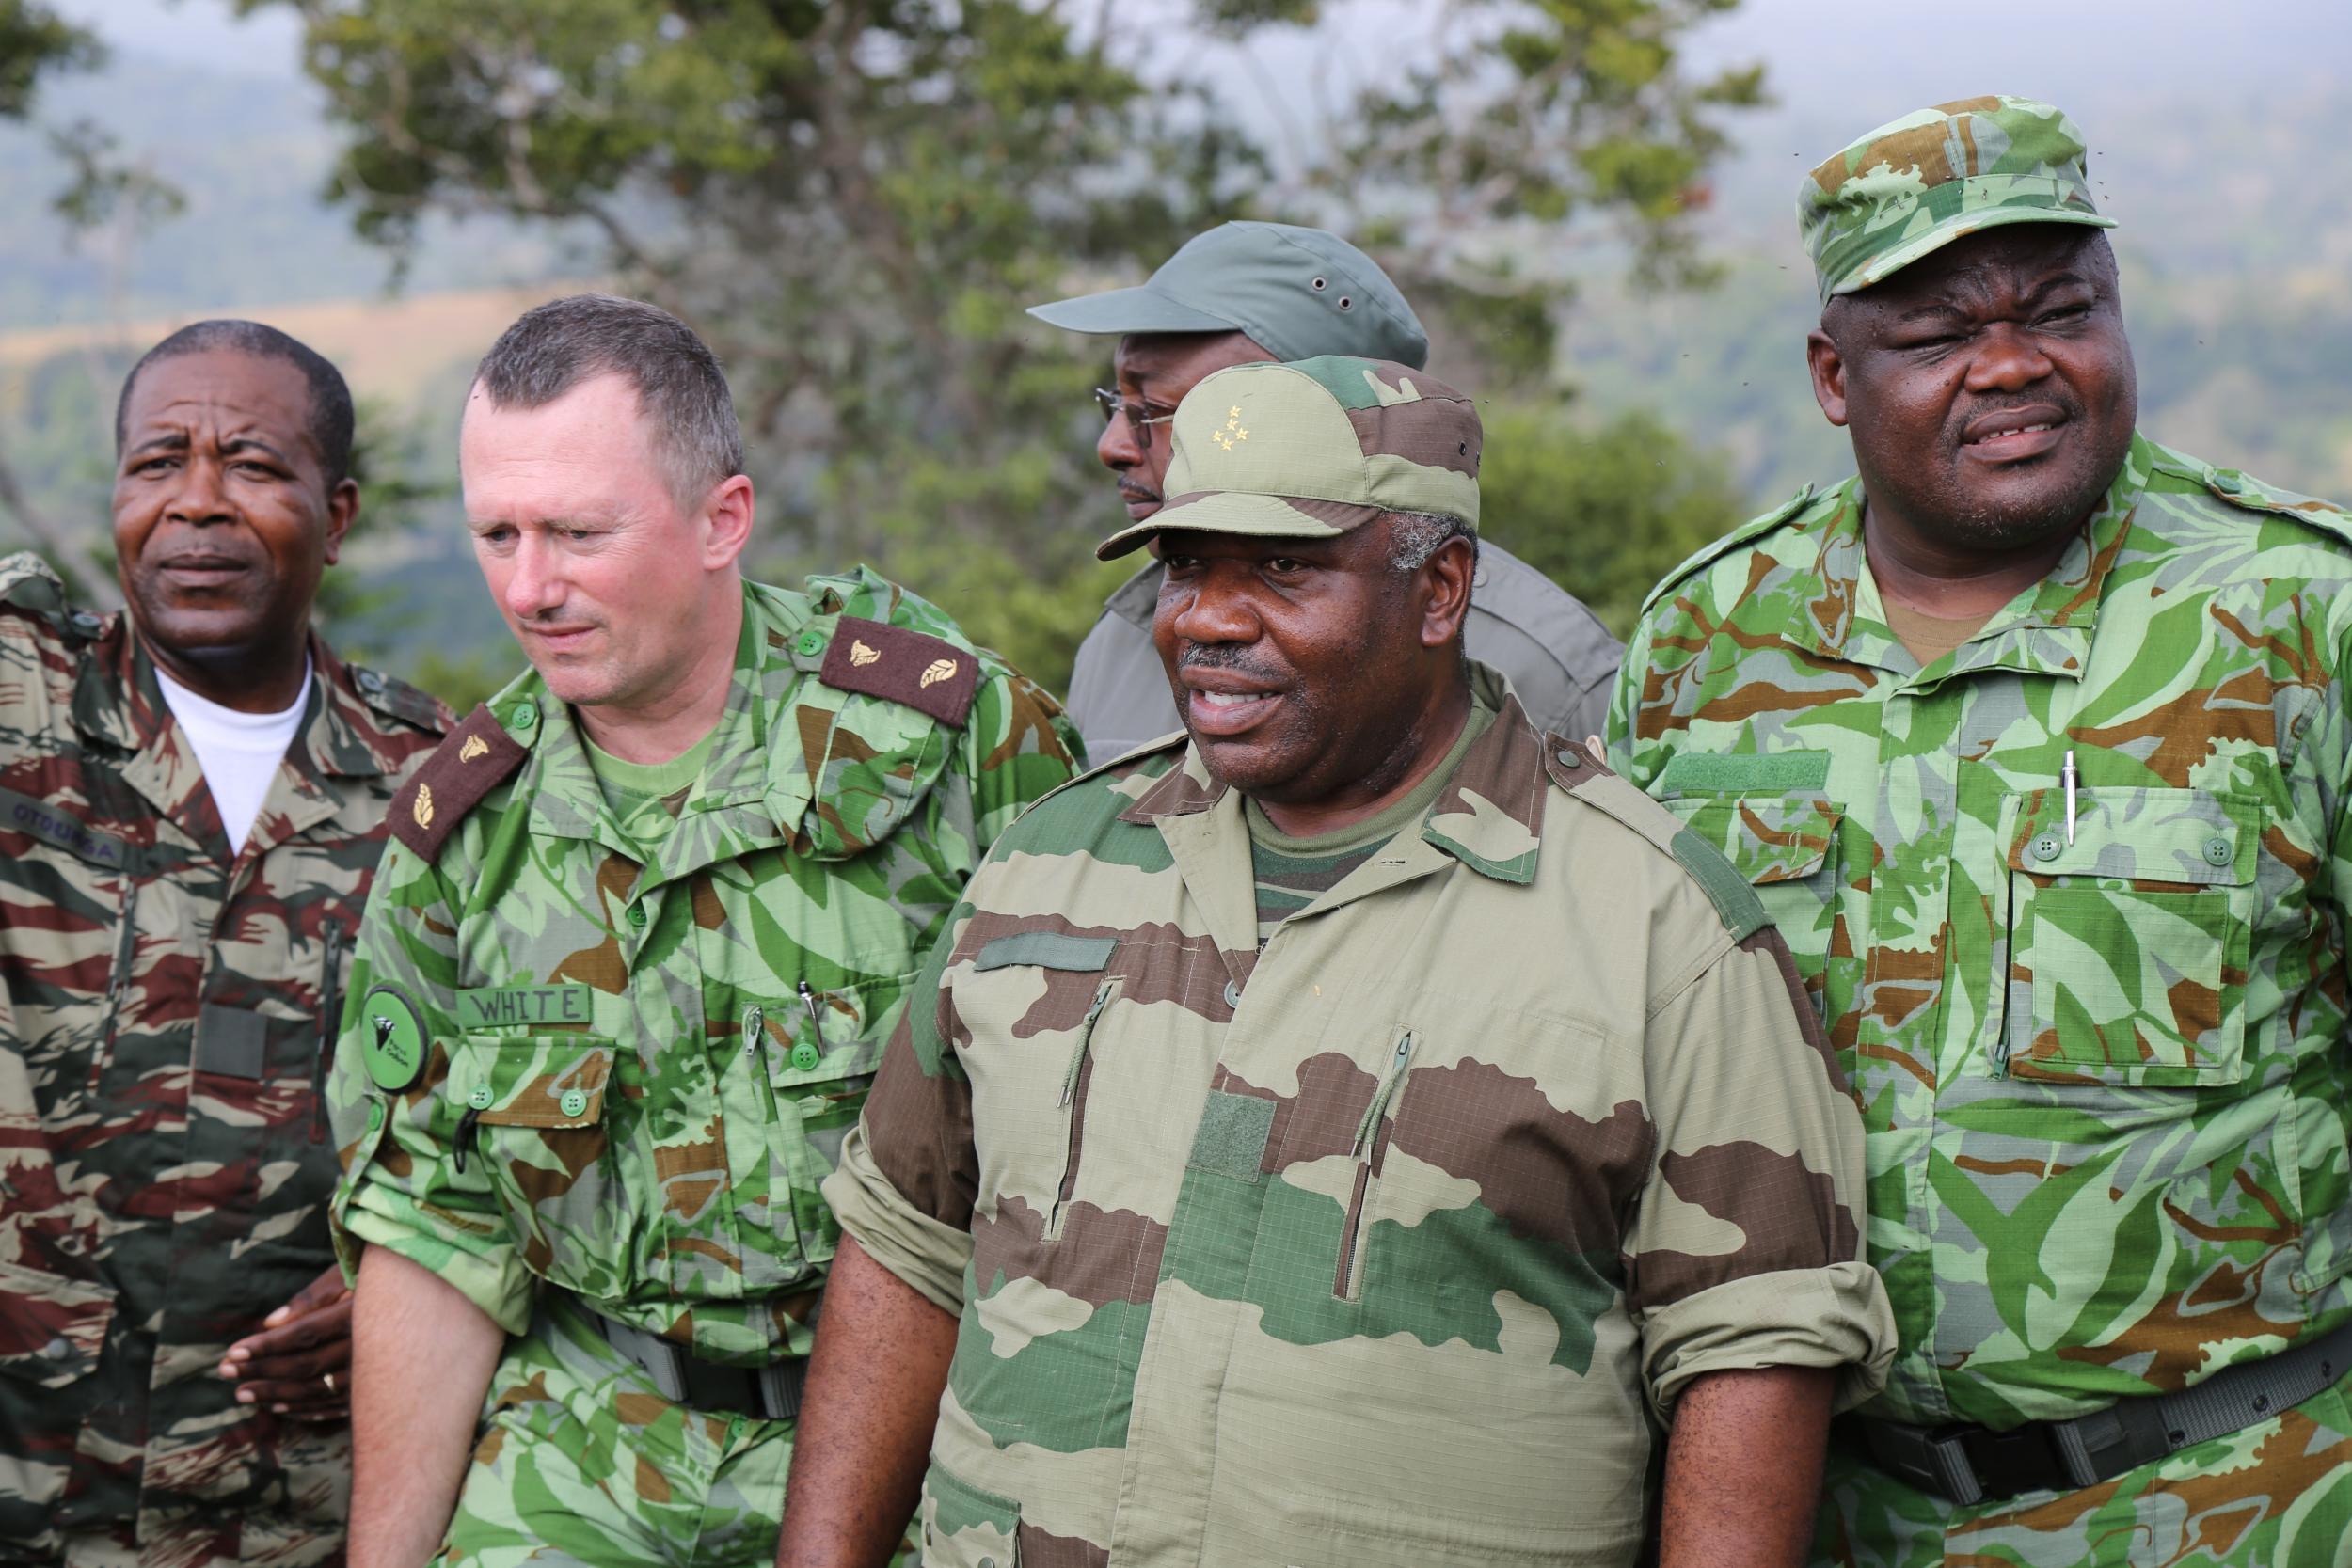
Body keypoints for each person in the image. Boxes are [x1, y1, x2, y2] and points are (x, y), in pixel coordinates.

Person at [778, 354, 1895, 1568]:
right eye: (1183, 565)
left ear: (1440, 588)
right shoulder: (1045, 865)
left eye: (1283, 568)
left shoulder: (1655, 928)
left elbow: (1754, 1352)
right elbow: (904, 1241)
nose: (1206, 617)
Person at [1609, 97, 2352, 1567]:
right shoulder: (1703, 643)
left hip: (2235, 1504)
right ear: (1834, 375)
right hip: (1812, 1508)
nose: (2012, 364)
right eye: (1939, 332)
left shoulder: (2297, 617)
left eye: (2062, 308)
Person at [323, 294, 1078, 1568]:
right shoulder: (465, 832)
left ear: (722, 518)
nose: (528, 586)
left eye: (575, 533)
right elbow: (433, 1230)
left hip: (929, 1429)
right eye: (495, 533)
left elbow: (1104, 1143)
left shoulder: (949, 750)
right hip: (593, 1436)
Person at [0, 322, 450, 1566]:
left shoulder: (435, 790)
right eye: (158, 463)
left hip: (284, 1504)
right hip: (32, 1471)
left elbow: (507, 1119)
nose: (197, 503)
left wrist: (412, 1286)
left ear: (337, 508)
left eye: (252, 465)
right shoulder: (19, 701)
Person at [1031, 219, 1623, 762]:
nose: (1113, 444)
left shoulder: (1552, 677)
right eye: (1119, 405)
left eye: (1159, 412)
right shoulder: (1120, 640)